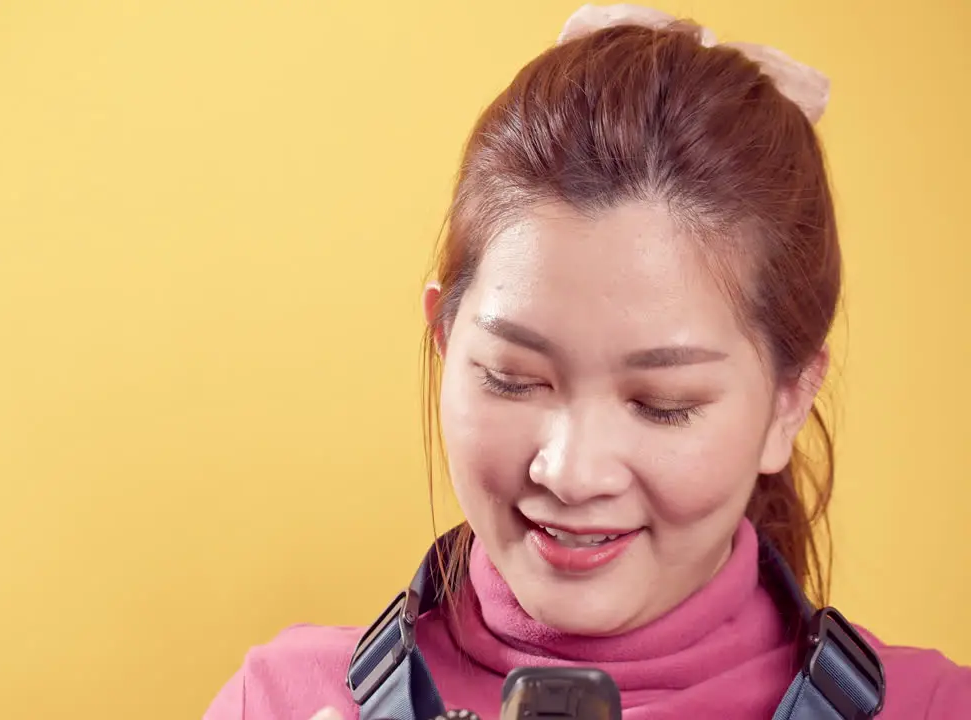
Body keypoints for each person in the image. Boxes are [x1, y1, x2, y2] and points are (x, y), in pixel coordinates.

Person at [203, 4, 971, 719]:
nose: (569, 475)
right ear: (444, 340)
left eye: (663, 402)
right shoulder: (278, 699)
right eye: (513, 378)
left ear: (788, 400)